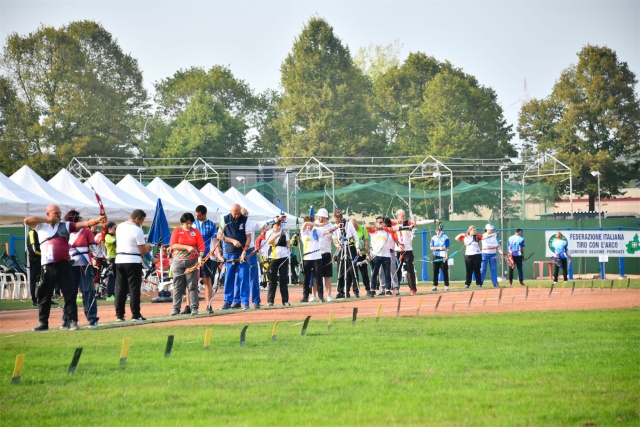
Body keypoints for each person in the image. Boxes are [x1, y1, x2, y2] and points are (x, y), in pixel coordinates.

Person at [25, 204, 103, 331]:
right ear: (48, 213)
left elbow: (82, 225)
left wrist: (96, 221)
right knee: (45, 295)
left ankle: (72, 321)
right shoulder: (40, 226)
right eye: (56, 213)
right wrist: (47, 220)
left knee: (69, 294)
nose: (59, 215)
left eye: (60, 213)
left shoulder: (65, 225)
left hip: (65, 264)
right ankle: (43, 322)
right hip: (47, 265)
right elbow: (27, 220)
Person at [114, 209, 152, 322]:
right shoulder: (137, 230)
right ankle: (136, 314)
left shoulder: (120, 226)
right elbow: (142, 249)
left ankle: (119, 315)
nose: (141, 223)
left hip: (119, 259)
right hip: (133, 260)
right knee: (134, 289)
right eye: (142, 221)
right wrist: (148, 247)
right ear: (137, 218)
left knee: (120, 288)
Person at [64, 210, 99, 329]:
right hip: (70, 263)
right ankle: (67, 319)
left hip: (85, 263)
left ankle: (92, 318)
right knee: (70, 292)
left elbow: (94, 249)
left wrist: (95, 252)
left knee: (88, 290)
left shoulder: (87, 231)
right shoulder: (66, 231)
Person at [170, 212, 205, 316]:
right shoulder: (177, 231)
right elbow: (173, 245)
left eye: (191, 223)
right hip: (178, 261)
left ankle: (194, 308)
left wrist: (200, 259)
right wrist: (187, 247)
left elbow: (201, 247)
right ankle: (176, 309)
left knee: (192, 285)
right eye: (187, 223)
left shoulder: (196, 232)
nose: (189, 225)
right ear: (183, 223)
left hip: (192, 261)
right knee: (177, 286)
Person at [218, 204, 250, 310]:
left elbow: (248, 238)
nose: (236, 216)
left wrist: (244, 251)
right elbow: (219, 236)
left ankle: (245, 302)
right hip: (230, 252)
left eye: (238, 213)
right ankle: (227, 302)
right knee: (229, 278)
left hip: (242, 253)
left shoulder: (245, 220)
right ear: (230, 211)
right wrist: (232, 241)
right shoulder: (225, 220)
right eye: (234, 213)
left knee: (243, 278)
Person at [194, 205, 220, 314]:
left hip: (205, 256)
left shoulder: (211, 225)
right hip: (193, 256)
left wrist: (218, 253)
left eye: (199, 215)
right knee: (191, 281)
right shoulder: (193, 223)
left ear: (205, 214)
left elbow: (215, 241)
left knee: (207, 280)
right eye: (196, 215)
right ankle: (190, 306)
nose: (198, 217)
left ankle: (209, 305)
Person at [366, 216, 396, 296]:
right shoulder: (373, 231)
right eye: (379, 222)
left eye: (382, 222)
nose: (380, 223)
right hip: (376, 254)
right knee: (375, 273)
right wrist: (375, 227)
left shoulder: (386, 230)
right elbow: (365, 226)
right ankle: (372, 289)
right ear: (375, 223)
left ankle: (388, 290)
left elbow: (396, 228)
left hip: (386, 255)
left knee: (387, 273)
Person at [265, 220, 293, 306]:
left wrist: (291, 242)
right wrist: (278, 234)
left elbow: (288, 244)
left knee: (283, 279)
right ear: (273, 226)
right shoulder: (269, 232)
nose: (279, 227)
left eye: (280, 226)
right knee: (272, 280)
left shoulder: (285, 233)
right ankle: (270, 301)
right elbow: (269, 242)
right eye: (277, 225)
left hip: (283, 258)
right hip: (273, 258)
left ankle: (285, 300)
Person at [333, 211, 359, 298]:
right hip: (341, 248)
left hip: (350, 247)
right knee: (340, 270)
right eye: (335, 221)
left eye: (337, 220)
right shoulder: (335, 227)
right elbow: (335, 239)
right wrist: (337, 245)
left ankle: (356, 290)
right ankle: (340, 291)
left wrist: (358, 247)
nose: (337, 222)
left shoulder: (349, 225)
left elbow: (355, 236)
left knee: (353, 270)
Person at [393, 209, 418, 295]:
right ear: (398, 216)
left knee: (410, 269)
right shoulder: (394, 224)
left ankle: (413, 288)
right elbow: (393, 235)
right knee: (397, 269)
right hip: (398, 249)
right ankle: (395, 288)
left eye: (404, 216)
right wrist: (398, 244)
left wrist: (412, 225)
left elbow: (414, 224)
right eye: (402, 216)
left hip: (408, 250)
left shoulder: (408, 223)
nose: (404, 217)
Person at [299, 215, 323, 304]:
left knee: (318, 278)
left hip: (317, 257)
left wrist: (335, 227)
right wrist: (315, 223)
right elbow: (305, 224)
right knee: (306, 278)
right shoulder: (304, 231)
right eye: (311, 222)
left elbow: (326, 232)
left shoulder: (316, 230)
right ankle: (305, 297)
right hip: (307, 257)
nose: (312, 225)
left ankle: (321, 296)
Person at [315, 208, 335, 301]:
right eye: (318, 216)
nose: (318, 218)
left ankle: (329, 295)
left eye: (320, 216)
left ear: (324, 217)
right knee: (315, 276)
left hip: (326, 253)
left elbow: (334, 238)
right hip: (315, 253)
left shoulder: (331, 226)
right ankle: (313, 295)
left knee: (327, 276)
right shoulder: (315, 225)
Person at [351, 218, 372, 297]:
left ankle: (368, 290)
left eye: (356, 226)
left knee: (364, 273)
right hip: (353, 254)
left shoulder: (363, 229)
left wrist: (367, 253)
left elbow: (366, 242)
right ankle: (356, 291)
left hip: (362, 253)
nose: (355, 228)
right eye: (353, 227)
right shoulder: (349, 230)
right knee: (354, 274)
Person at [430, 223, 450, 291]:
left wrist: (446, 255)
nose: (439, 232)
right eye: (437, 230)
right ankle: (435, 285)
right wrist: (438, 248)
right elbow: (431, 247)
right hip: (436, 255)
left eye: (440, 230)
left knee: (444, 270)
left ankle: (446, 285)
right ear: (436, 231)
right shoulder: (433, 238)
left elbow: (447, 247)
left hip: (443, 255)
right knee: (435, 271)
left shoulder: (446, 237)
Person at [480, 223, 501, 288]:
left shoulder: (494, 236)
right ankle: (480, 282)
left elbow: (497, 244)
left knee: (494, 268)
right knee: (483, 268)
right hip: (484, 254)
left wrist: (500, 251)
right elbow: (487, 245)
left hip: (493, 254)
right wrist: (496, 245)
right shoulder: (483, 236)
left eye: (492, 229)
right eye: (490, 229)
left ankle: (495, 283)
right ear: (486, 229)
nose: (491, 230)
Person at [26, 227, 42, 307]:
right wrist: (44, 253)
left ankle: (44, 299)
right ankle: (34, 300)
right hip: (35, 261)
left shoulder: (40, 232)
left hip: (42, 260)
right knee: (34, 280)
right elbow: (34, 249)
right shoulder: (32, 233)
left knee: (44, 280)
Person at [103, 222, 117, 301]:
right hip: (111, 259)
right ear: (109, 229)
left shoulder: (113, 236)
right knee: (112, 278)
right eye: (115, 228)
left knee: (115, 278)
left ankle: (112, 294)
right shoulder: (108, 237)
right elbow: (117, 243)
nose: (116, 230)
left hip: (115, 258)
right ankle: (110, 295)